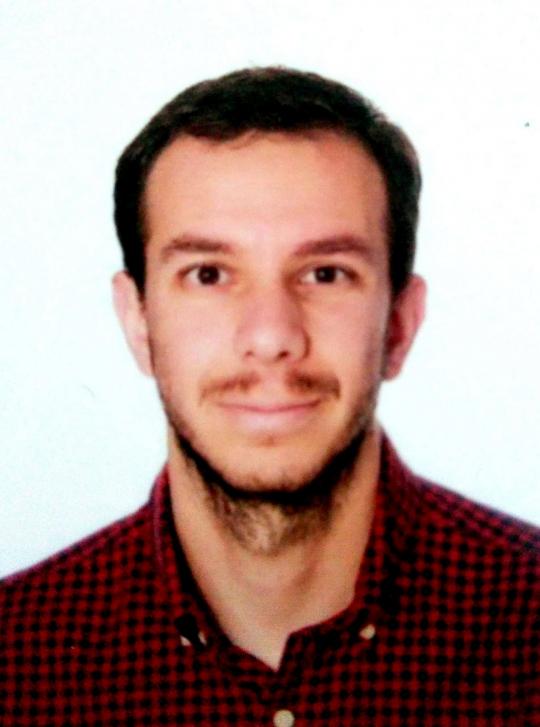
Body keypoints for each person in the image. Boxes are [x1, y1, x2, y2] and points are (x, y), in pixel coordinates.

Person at [1, 67, 538, 727]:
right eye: (208, 274)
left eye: (325, 273)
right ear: (138, 322)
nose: (271, 336)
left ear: (399, 324)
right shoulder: (16, 659)